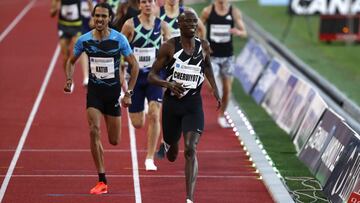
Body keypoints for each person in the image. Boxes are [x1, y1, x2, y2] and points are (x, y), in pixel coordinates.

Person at [63, 2, 139, 194]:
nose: (100, 19)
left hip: (113, 94)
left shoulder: (119, 39)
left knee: (114, 141)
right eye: (97, 16)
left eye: (104, 16)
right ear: (93, 17)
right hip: (95, 94)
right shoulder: (84, 40)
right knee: (94, 130)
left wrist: (128, 92)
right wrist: (70, 78)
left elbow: (134, 66)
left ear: (109, 19)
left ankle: (102, 175)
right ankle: (102, 179)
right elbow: (70, 62)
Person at [148, 9, 221, 203]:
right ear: (179, 25)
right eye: (187, 22)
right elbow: (151, 75)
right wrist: (168, 84)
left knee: (190, 149)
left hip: (193, 105)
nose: (192, 25)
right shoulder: (169, 47)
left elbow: (208, 68)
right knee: (173, 153)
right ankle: (170, 143)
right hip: (172, 105)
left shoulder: (203, 46)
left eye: (194, 22)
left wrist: (215, 89)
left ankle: (189, 197)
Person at [121, 0, 171, 171]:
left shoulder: (162, 25)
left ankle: (150, 158)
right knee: (137, 123)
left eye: (150, 1)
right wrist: (121, 69)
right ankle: (141, 106)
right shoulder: (130, 25)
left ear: (154, 4)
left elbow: (171, 49)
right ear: (139, 5)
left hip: (155, 76)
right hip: (135, 77)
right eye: (144, 2)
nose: (147, 4)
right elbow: (120, 47)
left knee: (155, 114)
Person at [201, 0, 247, 128]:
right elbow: (199, 27)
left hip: (228, 57)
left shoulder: (234, 12)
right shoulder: (208, 11)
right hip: (213, 56)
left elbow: (244, 32)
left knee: (227, 91)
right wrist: (203, 43)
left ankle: (221, 115)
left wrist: (238, 32)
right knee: (211, 87)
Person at [51, 0, 90, 85]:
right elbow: (52, 13)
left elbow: (89, 2)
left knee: (79, 49)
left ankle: (86, 77)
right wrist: (56, 9)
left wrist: (92, 15)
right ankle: (69, 79)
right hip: (63, 26)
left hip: (76, 25)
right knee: (65, 56)